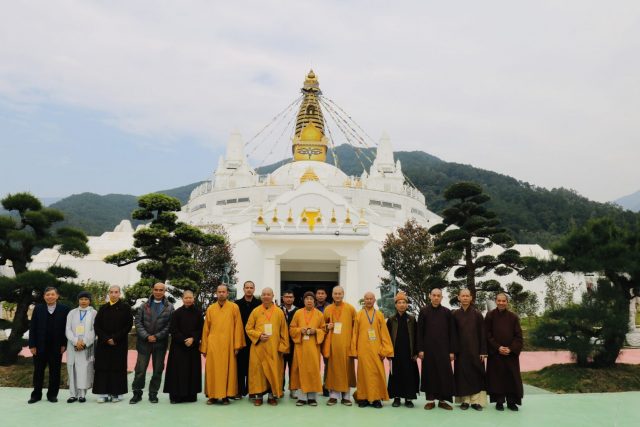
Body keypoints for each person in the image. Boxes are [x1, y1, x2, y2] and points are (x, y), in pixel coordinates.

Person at [201, 284, 246, 405]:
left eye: (223, 292)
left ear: (227, 293)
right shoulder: (210, 308)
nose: (221, 294)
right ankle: (212, 395)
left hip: (228, 344)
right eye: (219, 292)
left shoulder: (234, 307)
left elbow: (238, 327)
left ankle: (226, 395)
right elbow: (206, 329)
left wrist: (237, 345)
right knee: (212, 370)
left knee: (227, 370)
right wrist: (204, 347)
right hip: (213, 344)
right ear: (216, 293)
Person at [130, 282, 174, 404]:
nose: (158, 292)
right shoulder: (144, 306)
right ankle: (137, 393)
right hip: (144, 343)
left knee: (158, 370)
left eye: (161, 290)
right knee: (140, 370)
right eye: (156, 289)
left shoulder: (170, 307)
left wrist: (157, 336)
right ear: (152, 290)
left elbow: (170, 325)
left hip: (160, 344)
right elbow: (138, 322)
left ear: (164, 291)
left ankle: (153, 394)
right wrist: (147, 336)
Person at [246, 287, 290, 406]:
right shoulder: (255, 311)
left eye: (268, 294)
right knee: (258, 372)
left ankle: (272, 396)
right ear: (261, 296)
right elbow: (248, 328)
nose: (266, 296)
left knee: (274, 371)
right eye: (264, 294)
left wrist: (283, 347)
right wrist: (259, 335)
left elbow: (284, 331)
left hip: (274, 348)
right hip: (258, 348)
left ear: (272, 296)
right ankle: (259, 396)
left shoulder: (279, 312)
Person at [351, 291, 394, 409]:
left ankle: (376, 398)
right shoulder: (359, 315)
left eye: (371, 299)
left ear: (374, 300)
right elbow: (355, 333)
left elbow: (384, 333)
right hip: (363, 349)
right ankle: (363, 398)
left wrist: (385, 350)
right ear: (364, 300)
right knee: (363, 374)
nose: (369, 300)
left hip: (376, 350)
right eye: (367, 298)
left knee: (377, 374)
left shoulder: (379, 315)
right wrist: (354, 350)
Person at [28, 287, 70, 404]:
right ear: (44, 297)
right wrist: (32, 345)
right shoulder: (38, 309)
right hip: (39, 346)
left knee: (55, 372)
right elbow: (33, 327)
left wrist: (64, 344)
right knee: (38, 372)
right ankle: (36, 395)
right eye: (47, 295)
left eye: (52, 294)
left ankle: (52, 395)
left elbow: (66, 328)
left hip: (56, 346)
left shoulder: (64, 309)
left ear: (57, 296)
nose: (50, 296)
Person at [417, 288, 457, 410]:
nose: (436, 297)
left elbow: (452, 333)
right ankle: (430, 400)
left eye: (438, 295)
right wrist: (420, 349)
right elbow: (419, 332)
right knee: (430, 374)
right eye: (434, 295)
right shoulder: (424, 311)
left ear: (441, 297)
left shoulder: (447, 312)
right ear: (430, 296)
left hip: (444, 350)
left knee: (444, 375)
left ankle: (442, 400)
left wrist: (452, 351)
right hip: (428, 349)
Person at [93, 285, 133, 403]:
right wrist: (106, 338)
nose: (113, 294)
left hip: (119, 343)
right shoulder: (103, 308)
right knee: (102, 367)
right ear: (108, 293)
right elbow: (97, 326)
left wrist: (115, 338)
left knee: (117, 367)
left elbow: (128, 325)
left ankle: (116, 393)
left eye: (116, 292)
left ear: (120, 294)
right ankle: (103, 393)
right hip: (103, 343)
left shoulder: (125, 308)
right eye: (111, 292)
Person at [485, 293, 524, 411]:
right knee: (497, 379)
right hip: (496, 354)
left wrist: (511, 348)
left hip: (510, 354)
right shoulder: (490, 315)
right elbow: (487, 334)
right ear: (496, 301)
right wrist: (498, 347)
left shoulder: (513, 317)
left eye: (504, 301)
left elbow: (518, 336)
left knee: (512, 378)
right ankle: (499, 401)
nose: (501, 303)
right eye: (499, 301)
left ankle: (512, 402)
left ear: (507, 302)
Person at [163, 290, 203, 404]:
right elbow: (173, 329)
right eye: (186, 298)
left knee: (192, 371)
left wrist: (193, 338)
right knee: (177, 371)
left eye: (190, 298)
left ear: (193, 298)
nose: (188, 300)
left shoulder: (198, 313)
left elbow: (201, 329)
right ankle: (176, 396)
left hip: (193, 347)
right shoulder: (176, 313)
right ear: (182, 298)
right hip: (178, 347)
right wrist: (184, 340)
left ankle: (190, 395)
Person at [453, 288, 487, 411]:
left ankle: (475, 401)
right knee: (462, 376)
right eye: (463, 296)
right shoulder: (455, 314)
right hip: (460, 352)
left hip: (475, 351)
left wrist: (483, 351)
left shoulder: (477, 314)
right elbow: (452, 334)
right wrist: (453, 351)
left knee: (476, 375)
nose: (465, 298)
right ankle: (465, 401)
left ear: (471, 298)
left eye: (467, 296)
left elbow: (483, 334)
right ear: (459, 298)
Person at [289, 291, 326, 406]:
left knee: (313, 371)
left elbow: (323, 330)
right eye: (307, 299)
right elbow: (292, 329)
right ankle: (302, 397)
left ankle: (312, 398)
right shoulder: (298, 313)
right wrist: (300, 330)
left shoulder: (319, 314)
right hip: (300, 347)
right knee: (300, 371)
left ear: (314, 301)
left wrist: (316, 331)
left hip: (313, 347)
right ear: (303, 301)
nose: (309, 301)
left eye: (311, 299)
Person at [322, 285, 356, 406]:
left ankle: (346, 397)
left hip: (346, 345)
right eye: (335, 293)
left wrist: (354, 344)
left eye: (339, 293)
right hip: (332, 345)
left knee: (346, 370)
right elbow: (322, 326)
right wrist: (327, 326)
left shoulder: (350, 309)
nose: (337, 296)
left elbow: (356, 327)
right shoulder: (327, 309)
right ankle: (333, 396)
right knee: (333, 370)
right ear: (332, 295)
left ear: (343, 294)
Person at [386, 292, 419, 408]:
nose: (402, 305)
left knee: (409, 375)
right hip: (395, 353)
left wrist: (415, 352)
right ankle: (397, 398)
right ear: (395, 305)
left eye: (404, 302)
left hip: (409, 353)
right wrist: (388, 352)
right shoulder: (391, 320)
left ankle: (408, 399)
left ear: (407, 305)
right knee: (396, 375)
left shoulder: (412, 319)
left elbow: (416, 336)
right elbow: (387, 337)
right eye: (399, 302)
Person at [65, 291, 97, 403]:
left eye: (86, 299)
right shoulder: (72, 313)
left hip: (86, 346)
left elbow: (94, 330)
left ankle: (82, 394)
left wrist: (84, 342)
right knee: (72, 367)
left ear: (89, 301)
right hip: (72, 345)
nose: (83, 301)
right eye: (81, 299)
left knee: (84, 369)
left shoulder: (93, 313)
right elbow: (68, 329)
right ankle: (73, 394)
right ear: (78, 300)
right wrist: (75, 341)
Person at [234, 280, 261, 399]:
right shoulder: (236, 304)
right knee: (240, 365)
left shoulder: (259, 304)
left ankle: (252, 390)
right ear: (243, 289)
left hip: (255, 339)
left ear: (254, 289)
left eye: (251, 287)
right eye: (247, 287)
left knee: (253, 366)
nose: (249, 289)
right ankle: (239, 390)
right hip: (241, 338)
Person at [280, 289, 298, 397]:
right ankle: (280, 389)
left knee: (294, 368)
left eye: (291, 297)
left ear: (294, 299)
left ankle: (293, 389)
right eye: (286, 297)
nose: (288, 299)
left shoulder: (298, 311)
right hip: (281, 343)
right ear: (283, 298)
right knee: (280, 367)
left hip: (294, 344)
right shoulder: (277, 310)